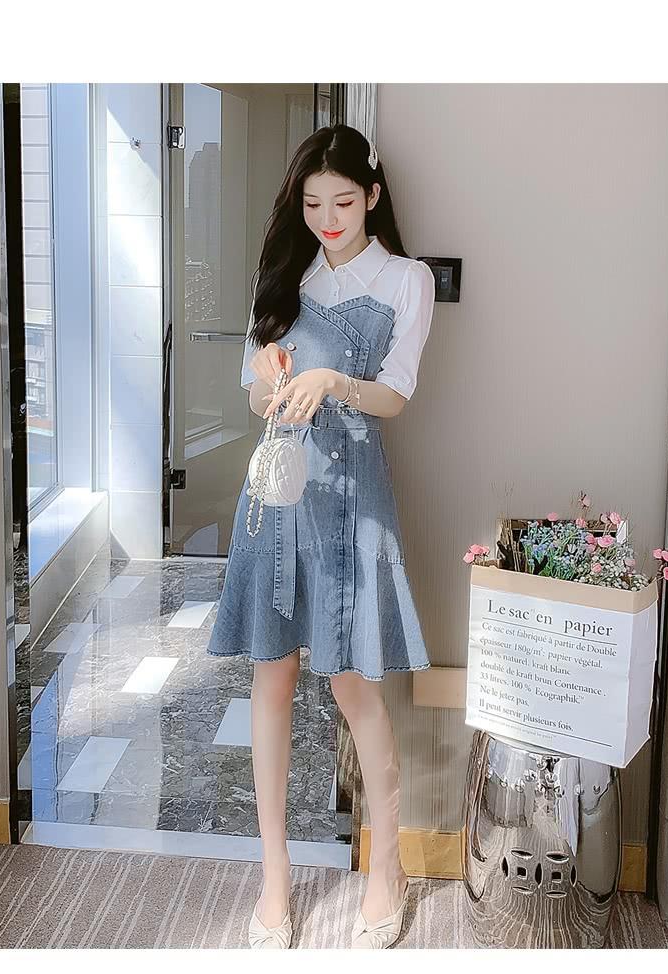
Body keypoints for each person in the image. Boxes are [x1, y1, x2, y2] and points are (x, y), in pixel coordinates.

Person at [206, 123, 436, 949]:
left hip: (352, 504)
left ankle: (386, 870)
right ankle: (274, 878)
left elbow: (396, 398)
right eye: (312, 204)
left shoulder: (406, 280)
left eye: (342, 202)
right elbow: (252, 395)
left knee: (353, 690)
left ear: (372, 196)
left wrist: (336, 380)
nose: (327, 219)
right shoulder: (285, 274)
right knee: (270, 682)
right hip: (277, 498)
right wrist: (272, 380)